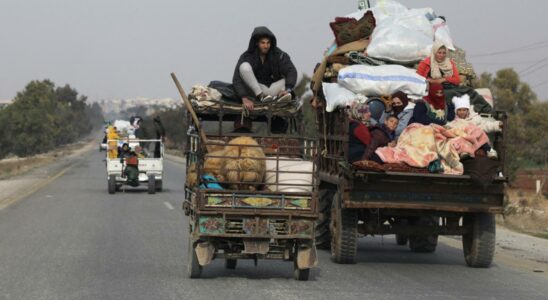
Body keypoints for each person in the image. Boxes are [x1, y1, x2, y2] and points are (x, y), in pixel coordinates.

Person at [232, 26, 298, 112]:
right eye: (262, 43)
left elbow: (290, 70)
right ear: (256, 43)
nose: (266, 46)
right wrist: (244, 98)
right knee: (244, 67)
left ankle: (281, 98)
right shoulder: (247, 56)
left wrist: (288, 89)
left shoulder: (278, 54)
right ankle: (262, 97)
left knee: (298, 74)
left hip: (272, 90)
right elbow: (236, 79)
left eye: (268, 43)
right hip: (256, 91)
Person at [451, 95, 500, 159]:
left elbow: (484, 125)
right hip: (463, 140)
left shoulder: (475, 119)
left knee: (480, 133)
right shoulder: (455, 121)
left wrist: (497, 125)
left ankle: (489, 150)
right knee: (460, 138)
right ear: (456, 111)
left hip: (475, 139)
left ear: (468, 111)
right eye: (459, 110)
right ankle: (464, 152)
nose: (462, 112)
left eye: (464, 110)